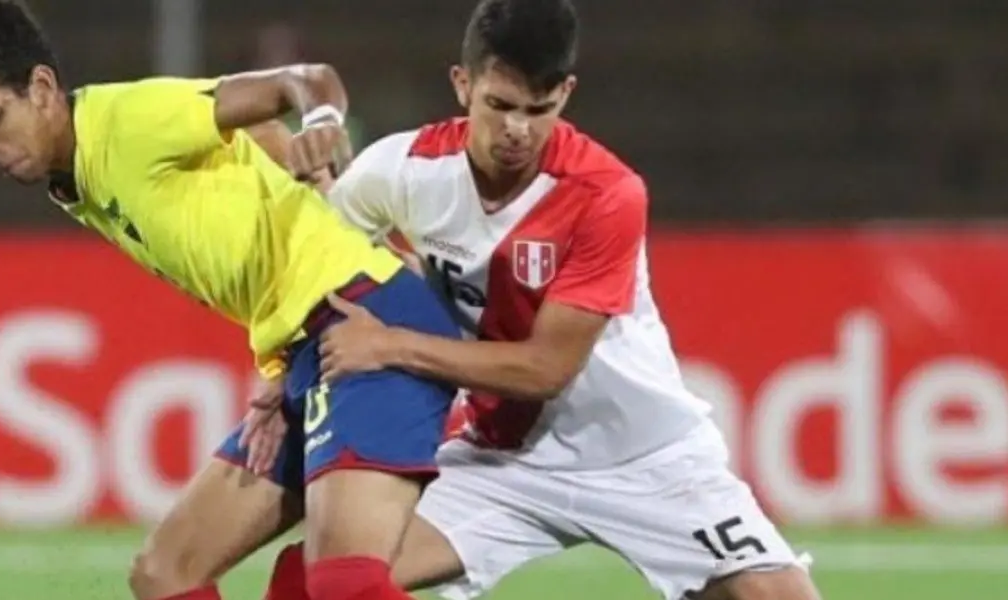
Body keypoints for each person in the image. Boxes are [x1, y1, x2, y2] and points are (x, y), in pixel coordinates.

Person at [243, 1, 824, 599]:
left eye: (538, 110)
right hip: (504, 462)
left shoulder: (606, 194)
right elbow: (326, 275)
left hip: (645, 456)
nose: (518, 129)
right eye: (500, 106)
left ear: (566, 94)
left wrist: (390, 346)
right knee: (313, 586)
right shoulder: (400, 171)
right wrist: (282, 372)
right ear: (462, 85)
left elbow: (546, 367)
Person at [0, 3, 462, 600]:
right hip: (307, 349)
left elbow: (303, 81)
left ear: (40, 88)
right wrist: (277, 369)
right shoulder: (79, 177)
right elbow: (258, 152)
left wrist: (322, 118)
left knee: (342, 587)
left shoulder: (127, 122)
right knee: (166, 576)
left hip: (365, 317)